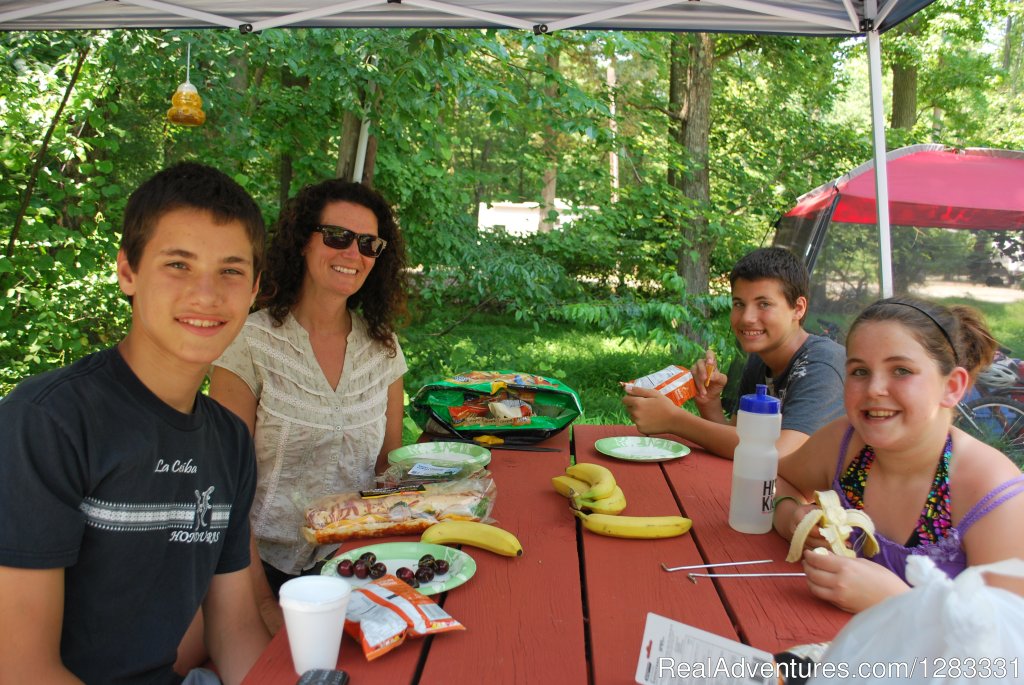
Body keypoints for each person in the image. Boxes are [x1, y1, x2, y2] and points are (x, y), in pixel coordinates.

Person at [0, 162, 271, 684]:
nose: (207, 295)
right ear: (127, 271)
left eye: (231, 271)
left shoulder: (229, 441)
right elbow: (21, 668)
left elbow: (234, 630)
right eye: (178, 264)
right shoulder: (46, 424)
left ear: (256, 287)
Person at [208, 178, 408, 631]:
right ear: (302, 241)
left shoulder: (384, 349)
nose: (352, 254)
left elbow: (387, 471)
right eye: (336, 236)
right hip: (253, 570)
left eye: (369, 244)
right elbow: (224, 491)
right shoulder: (249, 343)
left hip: (356, 565)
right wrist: (261, 605)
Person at [774, 296, 1024, 613]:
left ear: (953, 386)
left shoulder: (991, 493)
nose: (874, 388)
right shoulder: (844, 443)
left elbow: (1006, 648)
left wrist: (899, 603)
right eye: (860, 371)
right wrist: (790, 516)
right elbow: (779, 479)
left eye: (901, 370)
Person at [623, 246, 845, 459]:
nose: (747, 317)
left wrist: (675, 420)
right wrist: (709, 402)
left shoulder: (822, 364)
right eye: (739, 303)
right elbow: (739, 439)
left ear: (798, 308)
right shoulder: (760, 360)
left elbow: (780, 451)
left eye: (764, 304)